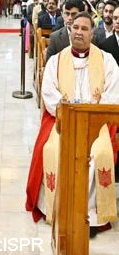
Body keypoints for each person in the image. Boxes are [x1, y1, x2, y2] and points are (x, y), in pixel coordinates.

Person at [25, 12, 119, 237]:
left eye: (84, 29)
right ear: (70, 30)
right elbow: (49, 93)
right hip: (64, 121)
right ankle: (56, 208)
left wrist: (90, 111)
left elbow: (113, 93)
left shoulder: (106, 60)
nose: (78, 32)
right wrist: (69, 109)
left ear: (92, 33)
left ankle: (89, 215)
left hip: (95, 123)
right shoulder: (56, 61)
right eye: (75, 27)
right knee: (53, 150)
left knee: (99, 154)